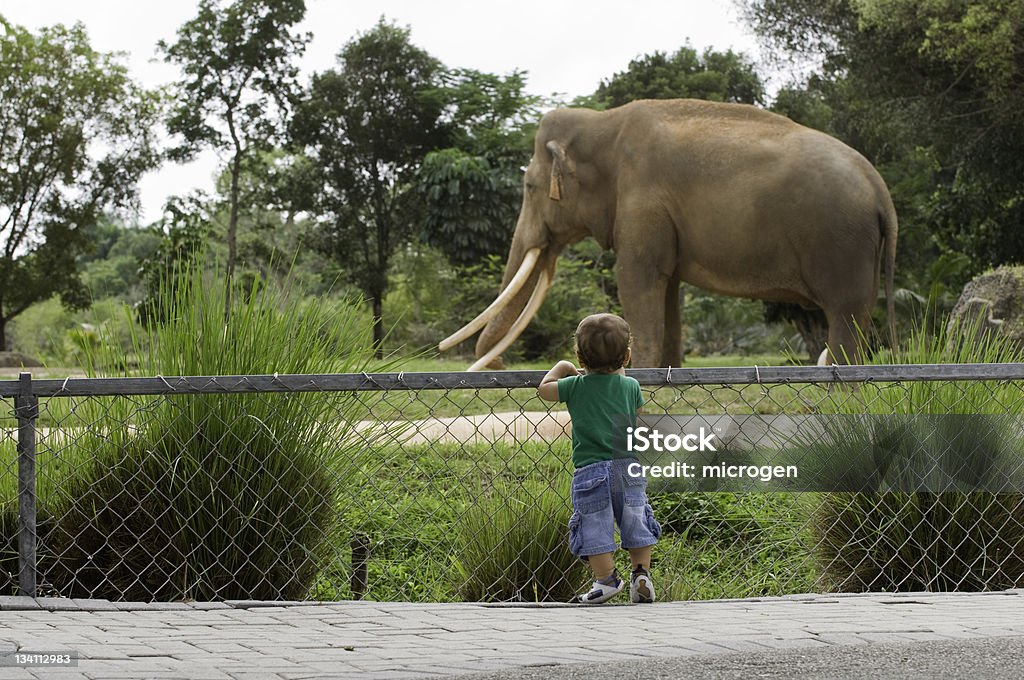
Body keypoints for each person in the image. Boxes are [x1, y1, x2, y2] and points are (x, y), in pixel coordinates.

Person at [538, 313, 661, 604]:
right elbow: (637, 412)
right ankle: (640, 573)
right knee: (634, 518)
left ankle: (606, 580)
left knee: (595, 523)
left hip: (591, 469)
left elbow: (544, 390)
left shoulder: (575, 386)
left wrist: (562, 367)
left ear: (580, 358)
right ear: (627, 357)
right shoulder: (630, 387)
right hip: (627, 465)